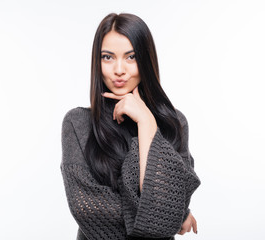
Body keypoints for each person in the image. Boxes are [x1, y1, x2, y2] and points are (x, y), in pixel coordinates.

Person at [60, 13, 201, 240]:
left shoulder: (174, 124)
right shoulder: (77, 123)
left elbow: (169, 207)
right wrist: (169, 215)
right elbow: (86, 210)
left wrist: (146, 123)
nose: (118, 69)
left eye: (130, 57)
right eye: (107, 57)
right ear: (97, 61)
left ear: (146, 60)